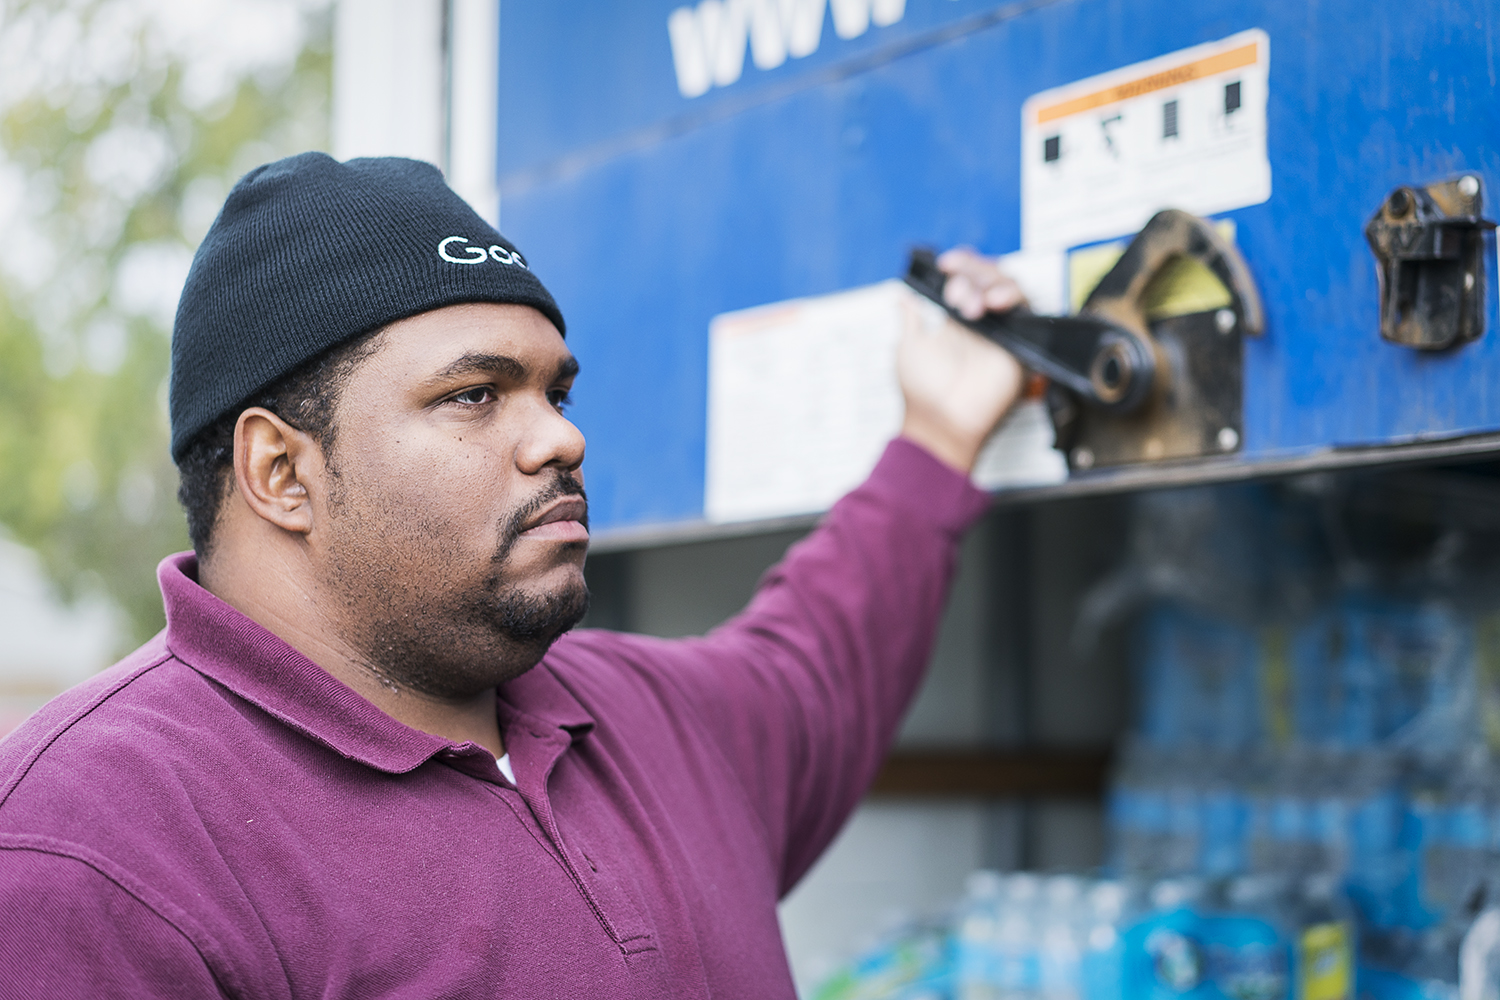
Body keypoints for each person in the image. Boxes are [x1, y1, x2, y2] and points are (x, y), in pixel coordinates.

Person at [0, 153, 1025, 998]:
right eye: (474, 395)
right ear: (282, 470)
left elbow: (820, 660)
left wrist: (937, 437)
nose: (560, 437)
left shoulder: (649, 721)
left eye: (556, 389)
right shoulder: (91, 849)